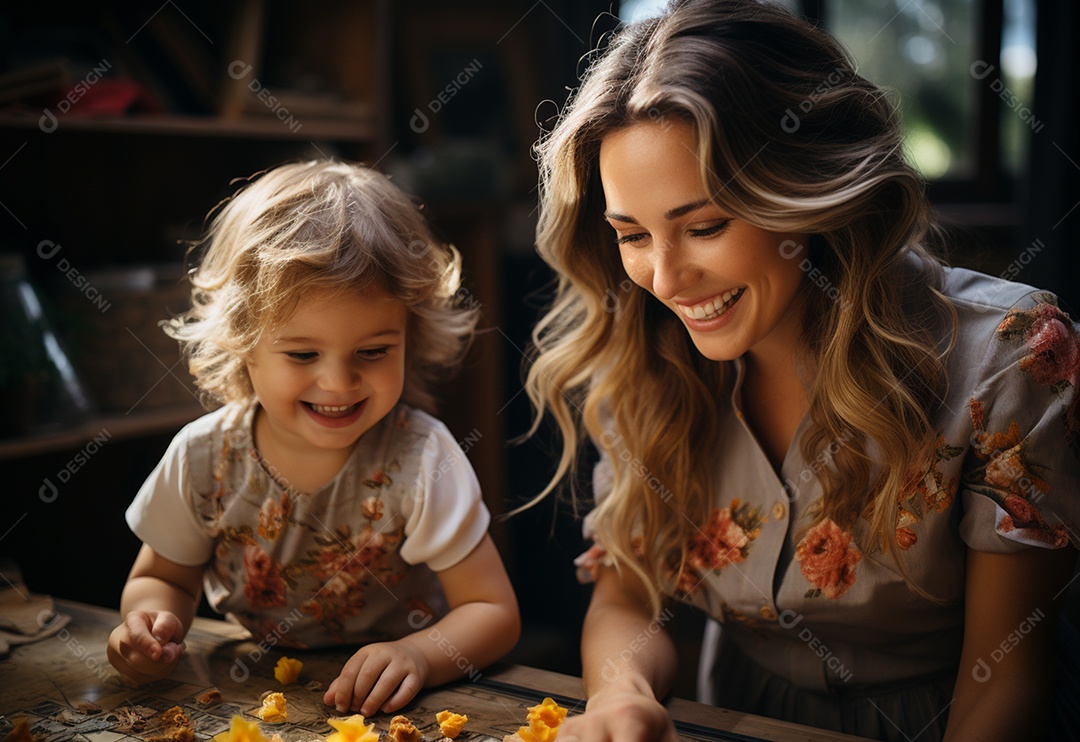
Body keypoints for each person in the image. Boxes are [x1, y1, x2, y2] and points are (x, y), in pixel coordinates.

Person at [524, 1, 1080, 740]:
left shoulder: (1010, 355)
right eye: (631, 235)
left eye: (706, 226)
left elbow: (1006, 675)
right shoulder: (642, 355)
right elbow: (627, 592)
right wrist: (621, 692)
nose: (666, 276)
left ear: (810, 191)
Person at [107, 161, 520, 715]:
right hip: (250, 691)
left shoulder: (423, 457)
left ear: (410, 337)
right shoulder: (204, 456)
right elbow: (162, 579)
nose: (339, 383)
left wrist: (419, 656)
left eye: (373, 352)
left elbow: (492, 611)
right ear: (243, 343)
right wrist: (149, 625)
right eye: (302, 354)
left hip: (396, 703)